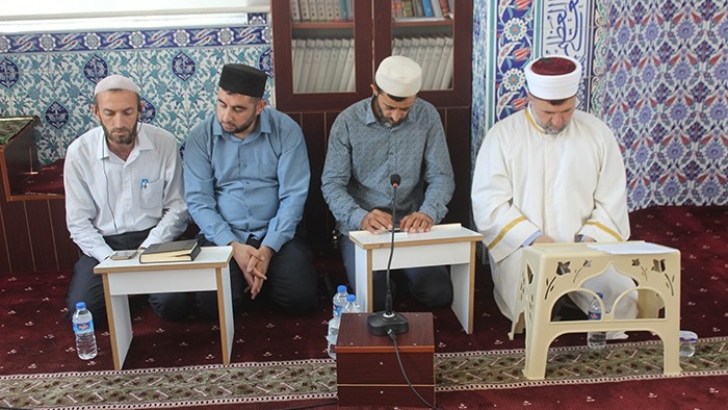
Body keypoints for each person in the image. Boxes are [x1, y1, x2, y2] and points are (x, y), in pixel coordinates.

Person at [471, 55, 638, 335]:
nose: (558, 121)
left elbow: (612, 200)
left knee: (622, 296)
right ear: (531, 98)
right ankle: (562, 304)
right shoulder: (503, 136)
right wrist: (537, 240)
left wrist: (587, 242)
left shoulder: (597, 133)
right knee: (531, 301)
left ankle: (578, 305)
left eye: (567, 111)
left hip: (586, 248)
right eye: (548, 112)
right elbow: (490, 203)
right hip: (526, 248)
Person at [321, 55, 455, 312]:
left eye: (405, 109)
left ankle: (401, 275)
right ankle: (388, 279)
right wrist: (359, 217)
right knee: (376, 300)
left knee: (438, 294)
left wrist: (428, 212)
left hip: (410, 224)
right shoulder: (348, 121)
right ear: (375, 90)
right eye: (389, 107)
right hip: (362, 227)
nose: (396, 116)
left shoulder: (427, 115)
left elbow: (442, 176)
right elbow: (332, 183)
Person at [183, 63, 318, 317]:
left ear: (259, 107)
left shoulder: (286, 130)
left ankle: (259, 277)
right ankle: (253, 281)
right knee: (213, 303)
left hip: (275, 233)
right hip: (223, 235)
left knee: (300, 297)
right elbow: (199, 201)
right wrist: (234, 246)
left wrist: (267, 249)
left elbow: (293, 197)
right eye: (222, 104)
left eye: (238, 109)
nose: (226, 116)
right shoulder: (201, 137)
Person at [64, 75, 189, 321]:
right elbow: (78, 223)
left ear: (140, 110)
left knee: (175, 306)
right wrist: (108, 258)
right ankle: (132, 288)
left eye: (127, 112)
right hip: (104, 244)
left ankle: (135, 289)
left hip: (155, 241)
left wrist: (146, 250)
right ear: (96, 112)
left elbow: (177, 207)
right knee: (87, 313)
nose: (119, 122)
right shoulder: (79, 153)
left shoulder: (164, 143)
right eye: (109, 113)